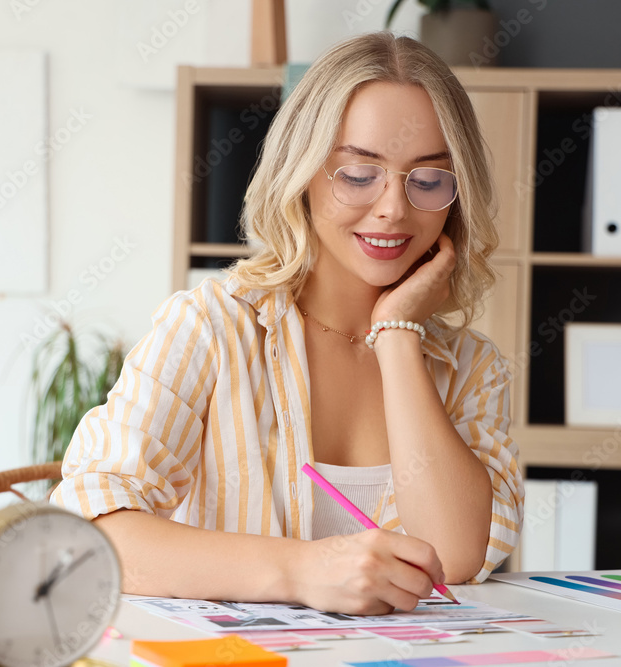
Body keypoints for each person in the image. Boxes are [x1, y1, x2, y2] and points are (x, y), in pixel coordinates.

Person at [49, 31, 524, 616]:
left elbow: (452, 555)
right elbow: (93, 534)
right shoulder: (210, 328)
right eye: (357, 175)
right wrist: (301, 570)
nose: (394, 208)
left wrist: (398, 332)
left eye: (428, 181)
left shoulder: (471, 368)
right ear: (301, 173)